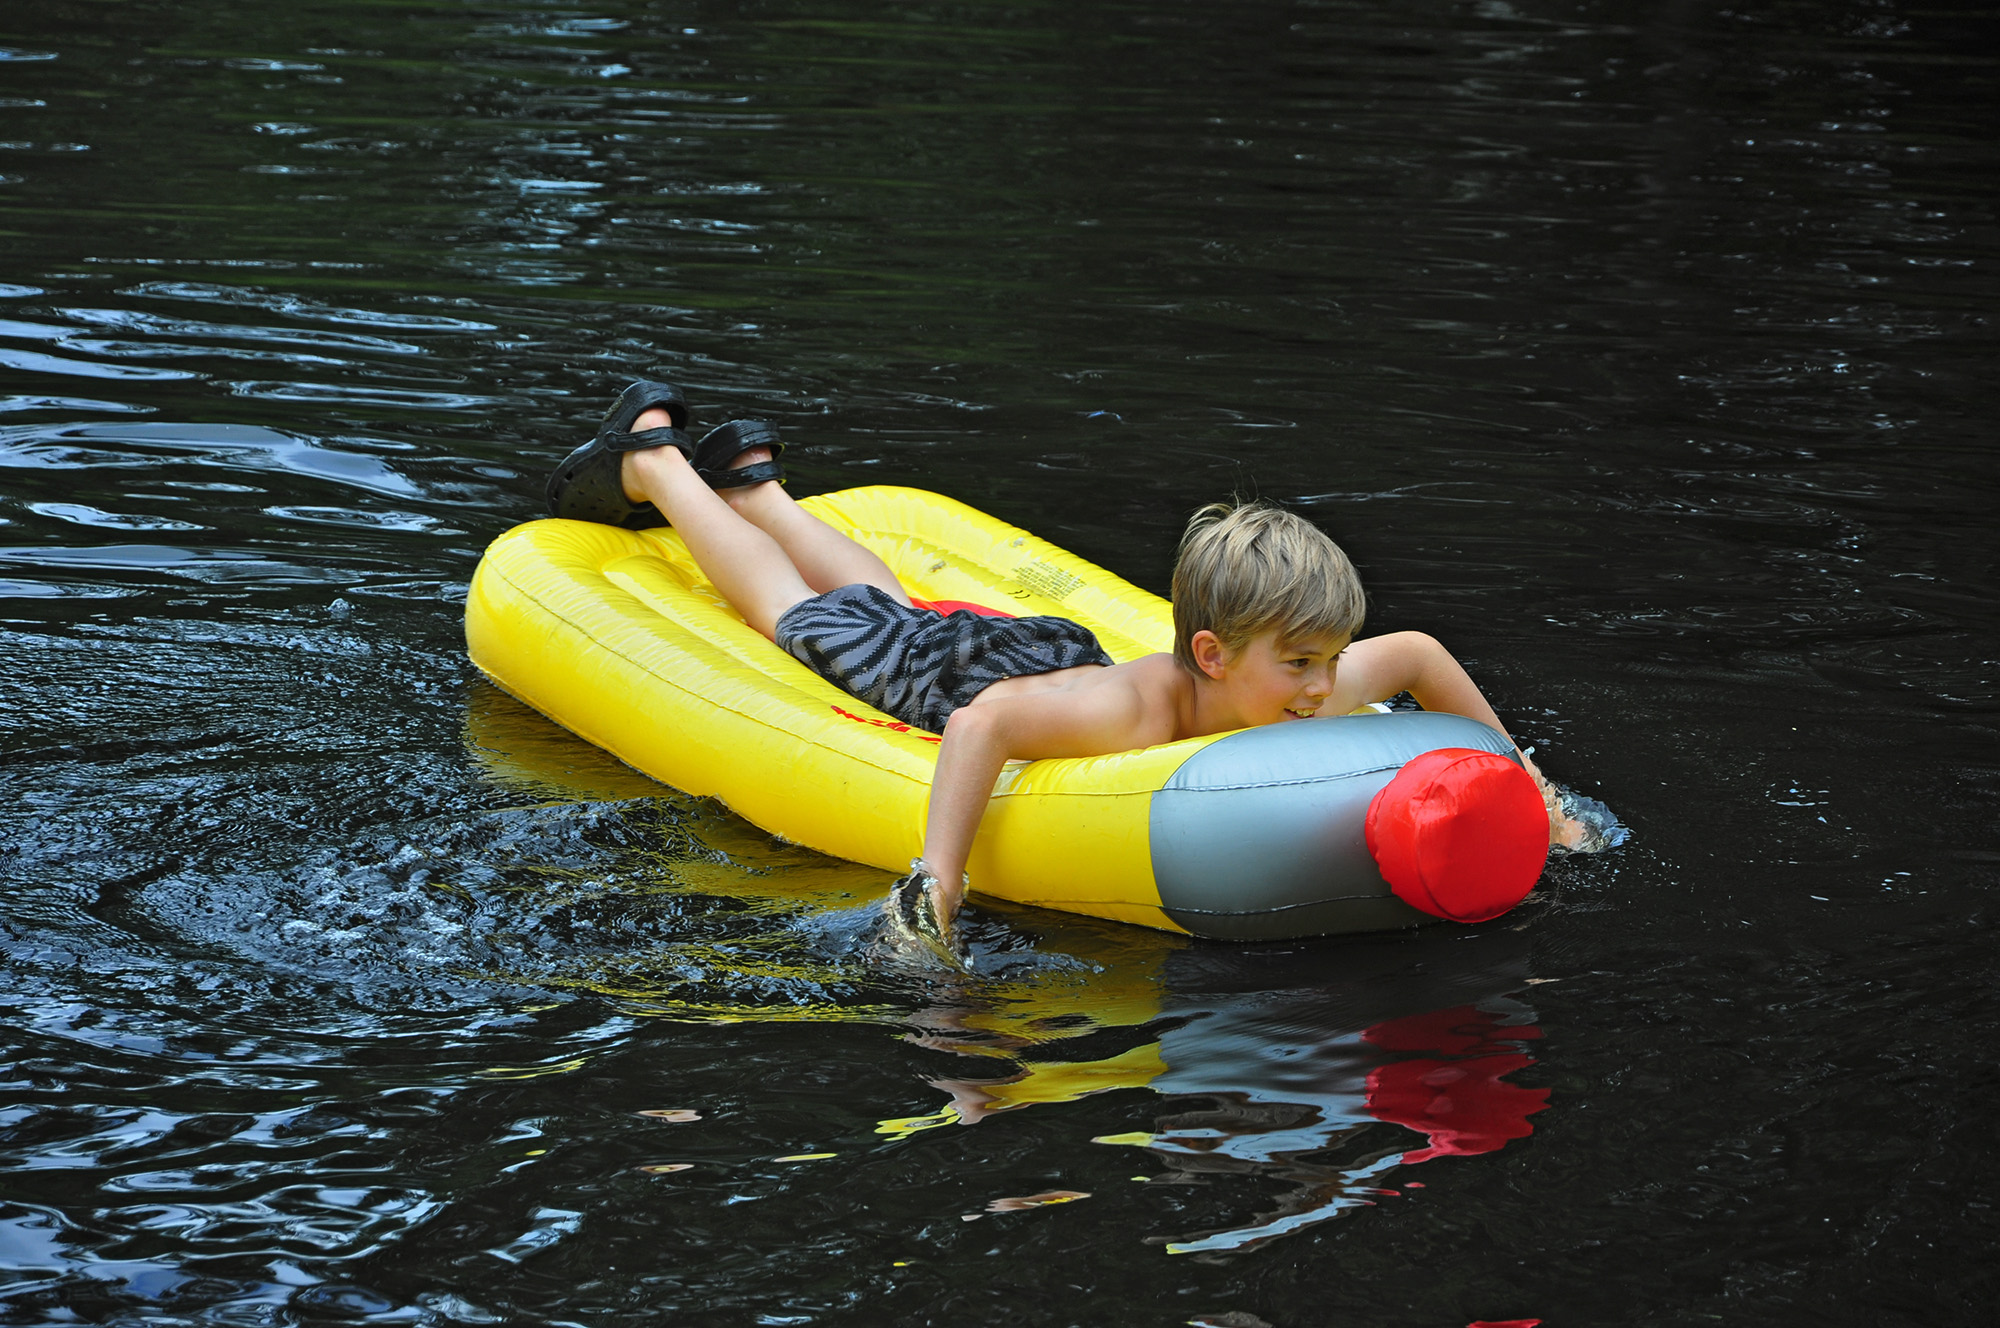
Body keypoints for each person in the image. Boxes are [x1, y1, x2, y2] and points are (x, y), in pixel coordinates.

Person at [546, 380, 1585, 952]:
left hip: (1042, 649)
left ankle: (760, 487)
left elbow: (1417, 653)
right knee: (810, 616)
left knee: (883, 597)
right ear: (1214, 657)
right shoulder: (1125, 716)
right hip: (951, 676)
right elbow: (981, 724)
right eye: (1301, 665)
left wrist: (1528, 783)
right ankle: (660, 465)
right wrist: (935, 885)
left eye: (1323, 662)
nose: (1324, 690)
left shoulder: (1299, 684)